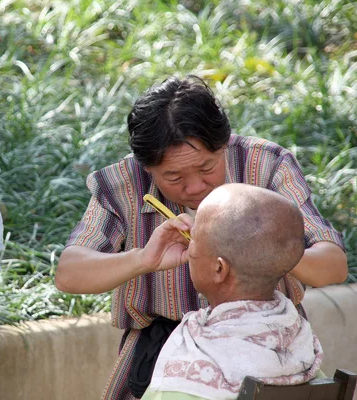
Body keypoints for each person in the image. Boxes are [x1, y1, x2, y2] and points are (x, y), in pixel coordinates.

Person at [55, 75, 346, 399]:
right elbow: (69, 273)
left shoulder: (267, 166)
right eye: (174, 176)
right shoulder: (121, 183)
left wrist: (262, 247)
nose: (193, 187)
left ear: (224, 144)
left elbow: (333, 266)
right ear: (146, 167)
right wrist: (142, 259)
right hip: (159, 354)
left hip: (270, 349)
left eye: (207, 168)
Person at [141, 183, 324, 400]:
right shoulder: (303, 352)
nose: (188, 247)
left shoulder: (188, 376)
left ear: (219, 269)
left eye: (194, 241)